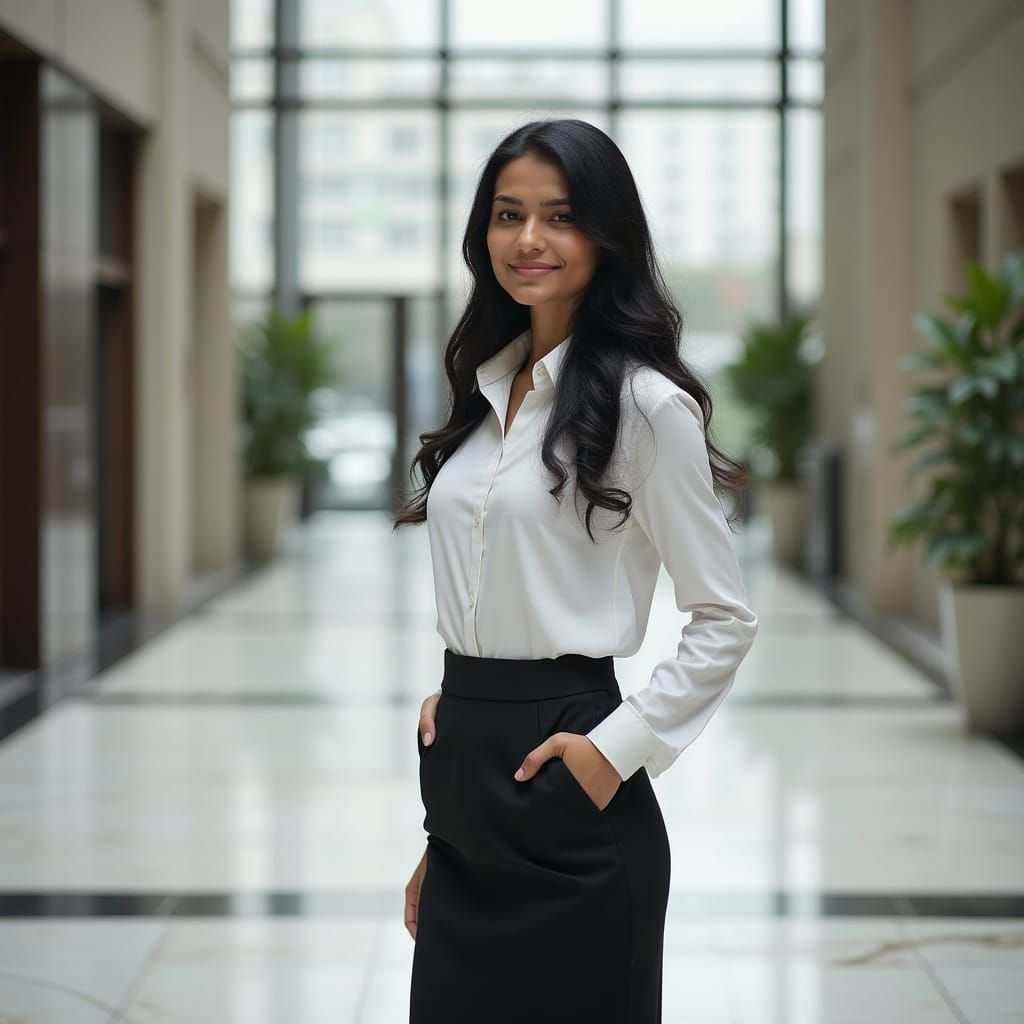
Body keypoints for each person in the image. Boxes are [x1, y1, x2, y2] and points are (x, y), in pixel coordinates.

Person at [391, 117, 759, 1024]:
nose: (528, 240)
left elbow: (724, 617)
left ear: (605, 234)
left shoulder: (646, 405)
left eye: (558, 217)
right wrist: (461, 745)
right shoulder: (482, 395)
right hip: (467, 793)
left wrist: (610, 755)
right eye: (507, 214)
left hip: (574, 791)